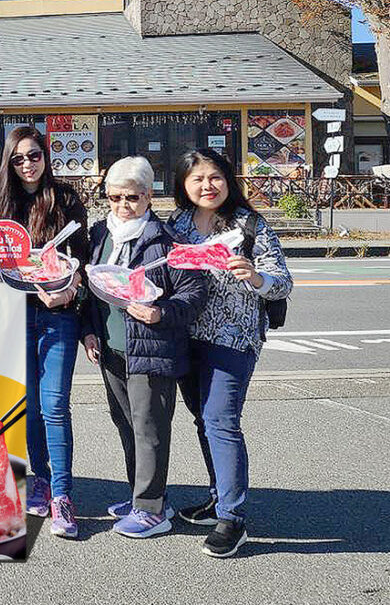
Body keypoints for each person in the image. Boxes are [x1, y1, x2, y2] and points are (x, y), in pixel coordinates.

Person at [168, 148, 292, 558]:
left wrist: (255, 276)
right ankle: (217, 497)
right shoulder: (177, 223)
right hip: (186, 337)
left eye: (215, 177)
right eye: (197, 179)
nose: (207, 185)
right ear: (183, 185)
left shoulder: (249, 224)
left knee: (221, 421)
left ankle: (232, 518)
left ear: (228, 179)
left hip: (234, 338)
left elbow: (283, 281)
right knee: (203, 420)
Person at [81, 156, 205, 539]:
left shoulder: (169, 241)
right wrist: (89, 332)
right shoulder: (100, 234)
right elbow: (91, 291)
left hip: (152, 349)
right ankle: (143, 495)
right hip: (111, 348)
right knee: (125, 423)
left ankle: (152, 509)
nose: (123, 205)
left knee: (150, 429)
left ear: (149, 195)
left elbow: (194, 293)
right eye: (115, 197)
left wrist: (161, 313)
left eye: (132, 197)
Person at [0, 125, 90, 538]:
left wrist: (67, 289)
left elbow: (80, 261)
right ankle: (39, 479)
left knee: (55, 405)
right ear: (8, 163)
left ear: (45, 156)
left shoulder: (65, 199)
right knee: (29, 407)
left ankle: (63, 495)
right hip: (14, 317)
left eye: (34, 155)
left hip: (58, 315)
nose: (27, 164)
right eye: (18, 159)